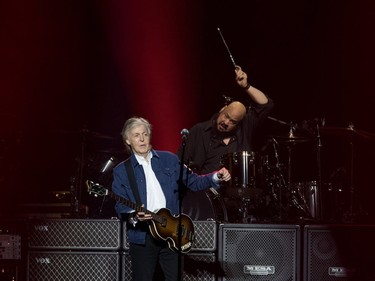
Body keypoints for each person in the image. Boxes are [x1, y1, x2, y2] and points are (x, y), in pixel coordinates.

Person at [112, 116, 231, 281]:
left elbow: (194, 182)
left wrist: (216, 177)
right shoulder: (122, 171)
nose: (142, 139)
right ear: (128, 140)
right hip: (143, 236)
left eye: (145, 134)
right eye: (136, 135)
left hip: (172, 232)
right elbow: (120, 206)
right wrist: (134, 215)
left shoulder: (169, 159)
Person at [177, 66, 274, 222]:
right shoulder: (199, 131)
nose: (226, 122)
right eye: (226, 116)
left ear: (239, 123)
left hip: (240, 199)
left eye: (232, 122)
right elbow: (180, 165)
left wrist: (246, 86)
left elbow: (266, 105)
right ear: (222, 109)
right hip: (206, 198)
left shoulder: (245, 127)